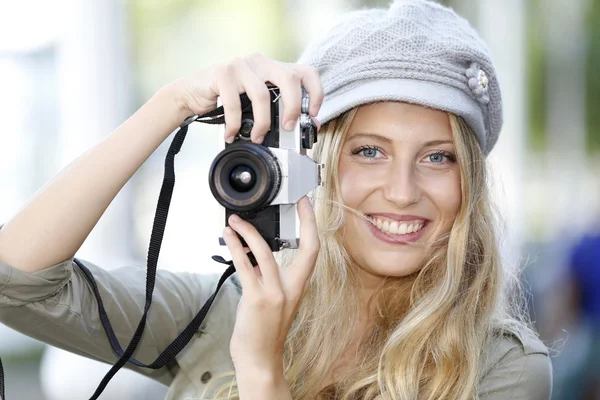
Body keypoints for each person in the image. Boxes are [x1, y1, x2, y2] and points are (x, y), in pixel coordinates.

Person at [0, 0, 552, 399]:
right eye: (368, 151)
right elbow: (15, 283)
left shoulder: (501, 367)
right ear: (312, 163)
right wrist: (170, 106)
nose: (404, 192)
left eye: (438, 157)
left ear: (470, 185)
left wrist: (262, 373)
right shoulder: (228, 309)